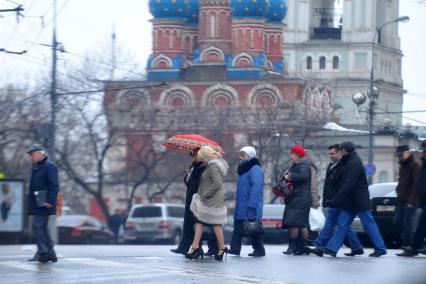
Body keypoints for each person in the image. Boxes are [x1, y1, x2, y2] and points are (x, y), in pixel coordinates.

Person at [319, 141, 387, 257]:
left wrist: (336, 199)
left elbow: (348, 184)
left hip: (359, 200)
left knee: (368, 224)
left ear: (345, 151)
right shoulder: (349, 161)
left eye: (340, 150)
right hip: (351, 201)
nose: (339, 152)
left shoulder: (354, 162)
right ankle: (332, 248)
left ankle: (380, 248)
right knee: (343, 223)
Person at [312, 144, 364, 256]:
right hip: (333, 200)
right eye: (329, 154)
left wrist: (337, 199)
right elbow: (327, 185)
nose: (330, 156)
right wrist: (326, 199)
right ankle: (357, 247)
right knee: (343, 225)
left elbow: (344, 185)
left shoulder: (344, 166)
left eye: (332, 153)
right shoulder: (331, 165)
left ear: (339, 153)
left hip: (340, 200)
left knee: (332, 223)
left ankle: (319, 245)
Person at [170, 147, 217, 256]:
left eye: (195, 155)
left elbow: (201, 183)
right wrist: (190, 172)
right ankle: (187, 247)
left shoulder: (204, 167)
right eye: (192, 156)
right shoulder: (195, 167)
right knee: (192, 224)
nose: (193, 158)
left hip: (199, 198)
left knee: (201, 224)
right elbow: (188, 182)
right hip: (191, 198)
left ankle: (210, 247)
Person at [187, 146, 229, 261]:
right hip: (207, 199)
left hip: (212, 200)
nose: (201, 160)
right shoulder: (209, 166)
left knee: (215, 223)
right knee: (200, 221)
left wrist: (206, 194)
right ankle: (196, 245)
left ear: (207, 157)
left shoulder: (213, 167)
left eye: (202, 158)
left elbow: (217, 183)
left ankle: (221, 247)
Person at [228, 146, 265, 257]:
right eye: (240, 154)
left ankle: (259, 249)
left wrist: (252, 204)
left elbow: (256, 187)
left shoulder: (255, 168)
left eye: (243, 154)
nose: (241, 157)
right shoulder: (244, 168)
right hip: (242, 204)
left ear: (250, 155)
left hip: (250, 204)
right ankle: (235, 248)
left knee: (253, 227)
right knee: (239, 225)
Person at [27, 144, 59, 263]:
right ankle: (50, 253)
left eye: (33, 154)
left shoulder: (49, 166)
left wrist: (50, 201)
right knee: (43, 228)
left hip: (45, 202)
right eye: (31, 155)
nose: (31, 157)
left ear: (41, 154)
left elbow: (54, 185)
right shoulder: (37, 167)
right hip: (38, 202)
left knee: (37, 225)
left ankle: (43, 253)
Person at [282, 145, 313, 255]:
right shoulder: (296, 165)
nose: (291, 156)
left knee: (293, 223)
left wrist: (290, 177)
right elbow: (289, 176)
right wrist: (286, 177)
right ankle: (302, 247)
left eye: (293, 154)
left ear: (299, 155)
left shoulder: (304, 165)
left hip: (300, 198)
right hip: (299, 197)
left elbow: (303, 176)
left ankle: (292, 247)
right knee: (302, 223)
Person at [397, 140, 426, 256]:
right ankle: (413, 247)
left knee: (421, 224)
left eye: (425, 151)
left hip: (415, 199)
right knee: (422, 224)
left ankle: (413, 247)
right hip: (422, 199)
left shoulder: (416, 164)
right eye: (423, 151)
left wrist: (413, 199)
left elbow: (416, 183)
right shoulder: (423, 162)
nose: (423, 153)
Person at [393, 145, 420, 248]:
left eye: (401, 155)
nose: (400, 157)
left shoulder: (415, 165)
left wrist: (412, 201)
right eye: (398, 156)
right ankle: (407, 245)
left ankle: (409, 246)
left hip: (410, 200)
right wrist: (398, 191)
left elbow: (416, 184)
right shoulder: (403, 166)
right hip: (402, 199)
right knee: (398, 222)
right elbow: (401, 182)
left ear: (408, 153)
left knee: (407, 224)